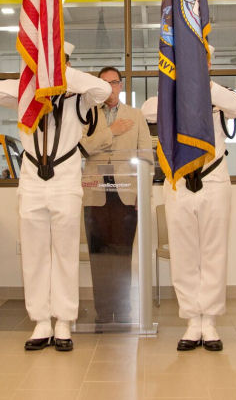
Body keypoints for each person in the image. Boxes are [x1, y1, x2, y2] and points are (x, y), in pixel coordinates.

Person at [0, 43, 110, 352]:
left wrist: (63, 77)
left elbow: (103, 89)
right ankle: (40, 321)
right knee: (35, 252)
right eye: (45, 61)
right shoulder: (26, 96)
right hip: (32, 181)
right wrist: (32, 81)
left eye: (56, 61)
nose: (50, 66)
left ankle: (64, 321)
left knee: (64, 252)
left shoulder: (79, 98)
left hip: (65, 179)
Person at [141, 46, 236, 352]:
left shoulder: (218, 94)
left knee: (213, 251)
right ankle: (191, 321)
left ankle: (209, 320)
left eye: (202, 61)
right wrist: (179, 88)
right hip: (179, 183)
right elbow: (148, 109)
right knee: (184, 253)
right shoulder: (170, 96)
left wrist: (203, 85)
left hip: (213, 178)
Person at [80, 66, 151, 325]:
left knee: (122, 254)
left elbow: (146, 157)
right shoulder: (86, 115)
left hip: (125, 195)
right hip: (95, 194)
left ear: (121, 86)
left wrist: (141, 196)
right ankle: (102, 312)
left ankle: (122, 310)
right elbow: (81, 148)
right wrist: (112, 132)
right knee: (98, 255)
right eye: (105, 83)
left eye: (115, 82)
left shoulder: (136, 115)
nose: (111, 87)